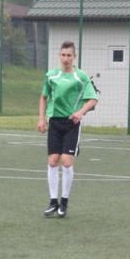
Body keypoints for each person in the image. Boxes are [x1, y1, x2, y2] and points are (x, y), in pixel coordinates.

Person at [37, 41, 98, 218]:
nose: (65, 58)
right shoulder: (51, 76)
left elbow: (93, 99)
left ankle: (64, 202)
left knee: (66, 162)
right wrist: (41, 118)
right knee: (52, 161)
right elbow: (43, 97)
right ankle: (53, 202)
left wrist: (80, 112)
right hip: (55, 122)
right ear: (59, 56)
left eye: (69, 55)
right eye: (63, 55)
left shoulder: (81, 77)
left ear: (74, 57)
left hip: (72, 123)